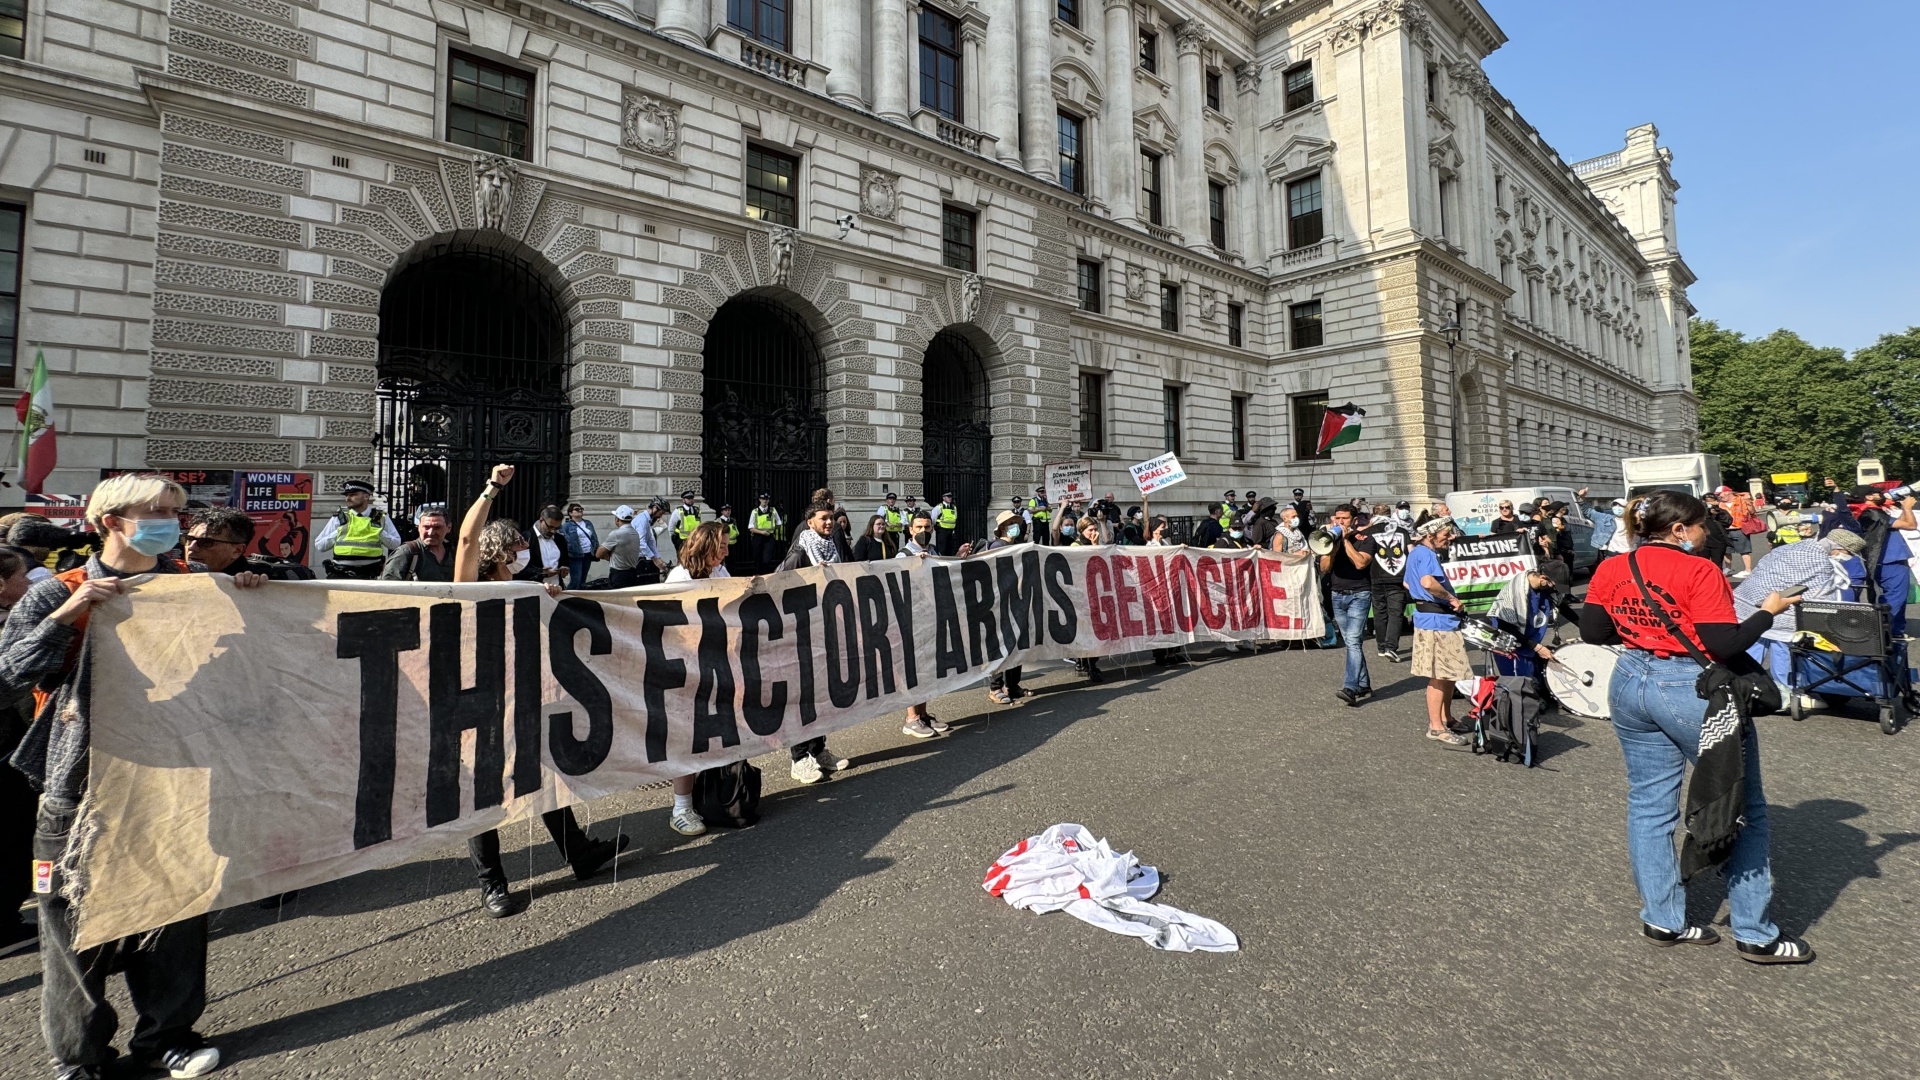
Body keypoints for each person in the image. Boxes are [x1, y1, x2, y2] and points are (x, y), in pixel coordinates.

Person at [2, 473, 265, 1079]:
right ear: (111, 521)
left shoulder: (195, 587)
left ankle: (166, 1037)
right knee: (72, 924)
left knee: (175, 913)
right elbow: (9, 676)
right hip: (80, 785)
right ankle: (79, 1056)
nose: (173, 524)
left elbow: (248, 665)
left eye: (176, 512)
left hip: (176, 778)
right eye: (159, 512)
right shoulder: (59, 592)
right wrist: (68, 616)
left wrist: (256, 596)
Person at [1580, 491, 1811, 963]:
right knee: (1741, 805)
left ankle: (1662, 918)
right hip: (1690, 685)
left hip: (1630, 680)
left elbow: (1592, 632)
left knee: (1649, 804)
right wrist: (1768, 611)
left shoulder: (1612, 566)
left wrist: (1644, 629)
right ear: (1679, 529)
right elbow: (1723, 644)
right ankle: (1754, 933)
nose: (1707, 532)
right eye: (1702, 524)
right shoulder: (1700, 570)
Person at [454, 465, 627, 918]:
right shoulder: (470, 587)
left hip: (522, 694)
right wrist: (492, 487)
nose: (523, 551)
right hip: (478, 699)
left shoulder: (522, 587)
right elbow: (467, 540)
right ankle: (492, 884)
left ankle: (580, 853)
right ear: (499, 551)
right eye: (517, 546)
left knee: (544, 774)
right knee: (483, 792)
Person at [653, 523, 736, 834]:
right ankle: (681, 808)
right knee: (687, 737)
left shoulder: (719, 571)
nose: (726, 551)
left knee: (712, 733)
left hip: (714, 663)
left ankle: (709, 795)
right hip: (685, 668)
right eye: (722, 546)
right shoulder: (680, 578)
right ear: (706, 546)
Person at [1733, 530, 1864, 701]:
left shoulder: (1792, 547)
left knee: (1752, 648)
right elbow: (1822, 595)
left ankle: (1740, 687)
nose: (1847, 558)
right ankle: (1783, 692)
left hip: (1749, 603)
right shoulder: (1821, 561)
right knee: (1782, 650)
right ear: (1838, 549)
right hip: (1781, 612)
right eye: (1848, 554)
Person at [782, 503, 853, 782]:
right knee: (803, 697)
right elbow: (781, 585)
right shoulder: (800, 553)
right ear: (810, 522)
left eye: (831, 518)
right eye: (823, 518)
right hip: (802, 634)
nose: (829, 523)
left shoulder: (831, 548)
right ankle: (799, 758)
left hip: (825, 630)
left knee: (821, 694)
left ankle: (819, 749)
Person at [0, 549, 37, 960]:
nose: (28, 583)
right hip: (6, 752)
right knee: (13, 839)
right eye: (22, 576)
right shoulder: (11, 627)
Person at [1405, 516, 1471, 745]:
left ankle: (1446, 718)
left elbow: (1407, 583)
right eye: (1445, 534)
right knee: (1439, 675)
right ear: (1430, 535)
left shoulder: (1416, 553)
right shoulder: (1426, 553)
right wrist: (1451, 599)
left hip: (1435, 618)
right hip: (1436, 621)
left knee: (1448, 673)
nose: (1450, 537)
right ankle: (1436, 727)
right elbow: (1427, 582)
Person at [896, 511, 954, 738]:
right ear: (910, 530)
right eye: (918, 527)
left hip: (930, 617)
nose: (923, 531)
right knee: (913, 668)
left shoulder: (933, 552)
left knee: (927, 668)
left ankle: (922, 714)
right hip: (911, 619)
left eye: (927, 527)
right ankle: (911, 718)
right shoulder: (903, 555)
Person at [1318, 506, 1375, 706]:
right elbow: (1324, 568)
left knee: (1352, 641)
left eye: (1345, 518)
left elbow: (1361, 563)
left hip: (1359, 594)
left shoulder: (1366, 539)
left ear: (1354, 520)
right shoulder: (1329, 540)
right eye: (1338, 518)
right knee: (1353, 642)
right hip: (1337, 595)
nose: (1340, 522)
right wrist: (1332, 549)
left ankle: (1350, 688)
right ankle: (1364, 684)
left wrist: (1345, 541)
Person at [1487, 560, 1571, 680]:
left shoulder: (1544, 588)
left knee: (1539, 680)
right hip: (1509, 641)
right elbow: (1505, 626)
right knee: (1522, 683)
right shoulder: (1517, 592)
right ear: (1543, 578)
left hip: (1529, 641)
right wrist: (1537, 647)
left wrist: (1585, 629)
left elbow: (1562, 607)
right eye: (1553, 586)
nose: (1554, 590)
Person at [186, 508, 314, 581]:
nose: (191, 547)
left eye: (206, 543)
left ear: (237, 551)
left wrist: (262, 583)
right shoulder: (178, 572)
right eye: (188, 539)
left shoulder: (260, 576)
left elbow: (305, 576)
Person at [984, 510, 1031, 704]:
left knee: (1016, 644)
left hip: (1015, 600)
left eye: (1016, 523)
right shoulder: (998, 546)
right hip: (1001, 603)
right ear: (1003, 527)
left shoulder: (1014, 546)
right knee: (1001, 644)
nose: (1016, 526)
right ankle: (996, 687)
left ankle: (1013, 685)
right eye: (1011, 523)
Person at [313, 479, 401, 579]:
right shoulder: (340, 517)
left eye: (353, 495)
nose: (348, 498)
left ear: (366, 496)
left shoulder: (380, 517)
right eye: (347, 495)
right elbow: (320, 546)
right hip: (341, 574)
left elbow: (395, 544)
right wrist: (339, 531)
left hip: (370, 575)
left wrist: (378, 532)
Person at [1366, 504, 1412, 663]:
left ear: (1374, 514)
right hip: (1397, 577)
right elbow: (1411, 551)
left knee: (1380, 613)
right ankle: (1391, 647)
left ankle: (1381, 646)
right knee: (1395, 613)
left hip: (1376, 576)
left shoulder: (1369, 531)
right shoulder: (1402, 531)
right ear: (1390, 514)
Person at [1064, 517, 1106, 682]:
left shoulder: (1095, 543)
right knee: (1084, 629)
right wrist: (1094, 547)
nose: (1094, 533)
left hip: (1094, 593)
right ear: (1082, 531)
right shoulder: (1076, 546)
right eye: (1090, 530)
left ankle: (1092, 663)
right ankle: (1083, 663)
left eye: (1095, 529)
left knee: (1095, 629)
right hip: (1080, 593)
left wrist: (1096, 545)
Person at [382, 505, 457, 583]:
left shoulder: (454, 554)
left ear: (449, 528)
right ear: (419, 527)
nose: (431, 532)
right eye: (426, 527)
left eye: (437, 527)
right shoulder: (406, 552)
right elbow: (388, 586)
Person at [518, 504, 571, 586]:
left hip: (556, 586)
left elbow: (565, 560)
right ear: (541, 520)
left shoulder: (560, 539)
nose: (553, 531)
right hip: (534, 587)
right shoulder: (526, 537)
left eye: (557, 528)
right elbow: (519, 567)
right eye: (550, 527)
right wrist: (540, 572)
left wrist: (564, 568)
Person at [560, 503, 599, 588]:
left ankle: (579, 594)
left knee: (582, 580)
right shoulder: (567, 526)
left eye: (581, 509)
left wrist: (596, 548)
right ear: (570, 513)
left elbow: (594, 537)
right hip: (575, 555)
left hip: (588, 553)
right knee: (576, 580)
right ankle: (568, 594)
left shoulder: (588, 523)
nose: (580, 510)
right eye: (577, 509)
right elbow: (564, 541)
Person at [747, 493, 784, 573]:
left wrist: (772, 529)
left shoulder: (772, 510)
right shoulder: (755, 511)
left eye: (767, 499)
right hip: (757, 537)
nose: (765, 501)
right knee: (757, 558)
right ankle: (758, 574)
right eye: (763, 499)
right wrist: (762, 532)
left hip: (769, 537)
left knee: (767, 559)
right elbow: (751, 528)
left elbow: (779, 523)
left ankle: (766, 574)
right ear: (760, 500)